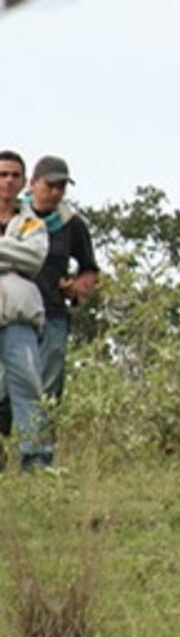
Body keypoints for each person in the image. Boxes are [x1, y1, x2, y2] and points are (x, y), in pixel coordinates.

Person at [24, 156, 99, 406]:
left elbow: (89, 269)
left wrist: (78, 288)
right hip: (13, 313)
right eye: (50, 185)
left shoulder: (71, 224)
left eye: (61, 187)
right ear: (33, 183)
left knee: (47, 393)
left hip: (52, 314)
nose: (56, 192)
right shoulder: (13, 215)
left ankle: (39, 445)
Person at [0, 151, 50, 470]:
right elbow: (21, 256)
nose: (8, 181)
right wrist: (11, 253)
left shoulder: (33, 223)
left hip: (19, 315)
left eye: (15, 175)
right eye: (2, 174)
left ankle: (36, 459)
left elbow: (33, 258)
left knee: (29, 385)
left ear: (24, 182)